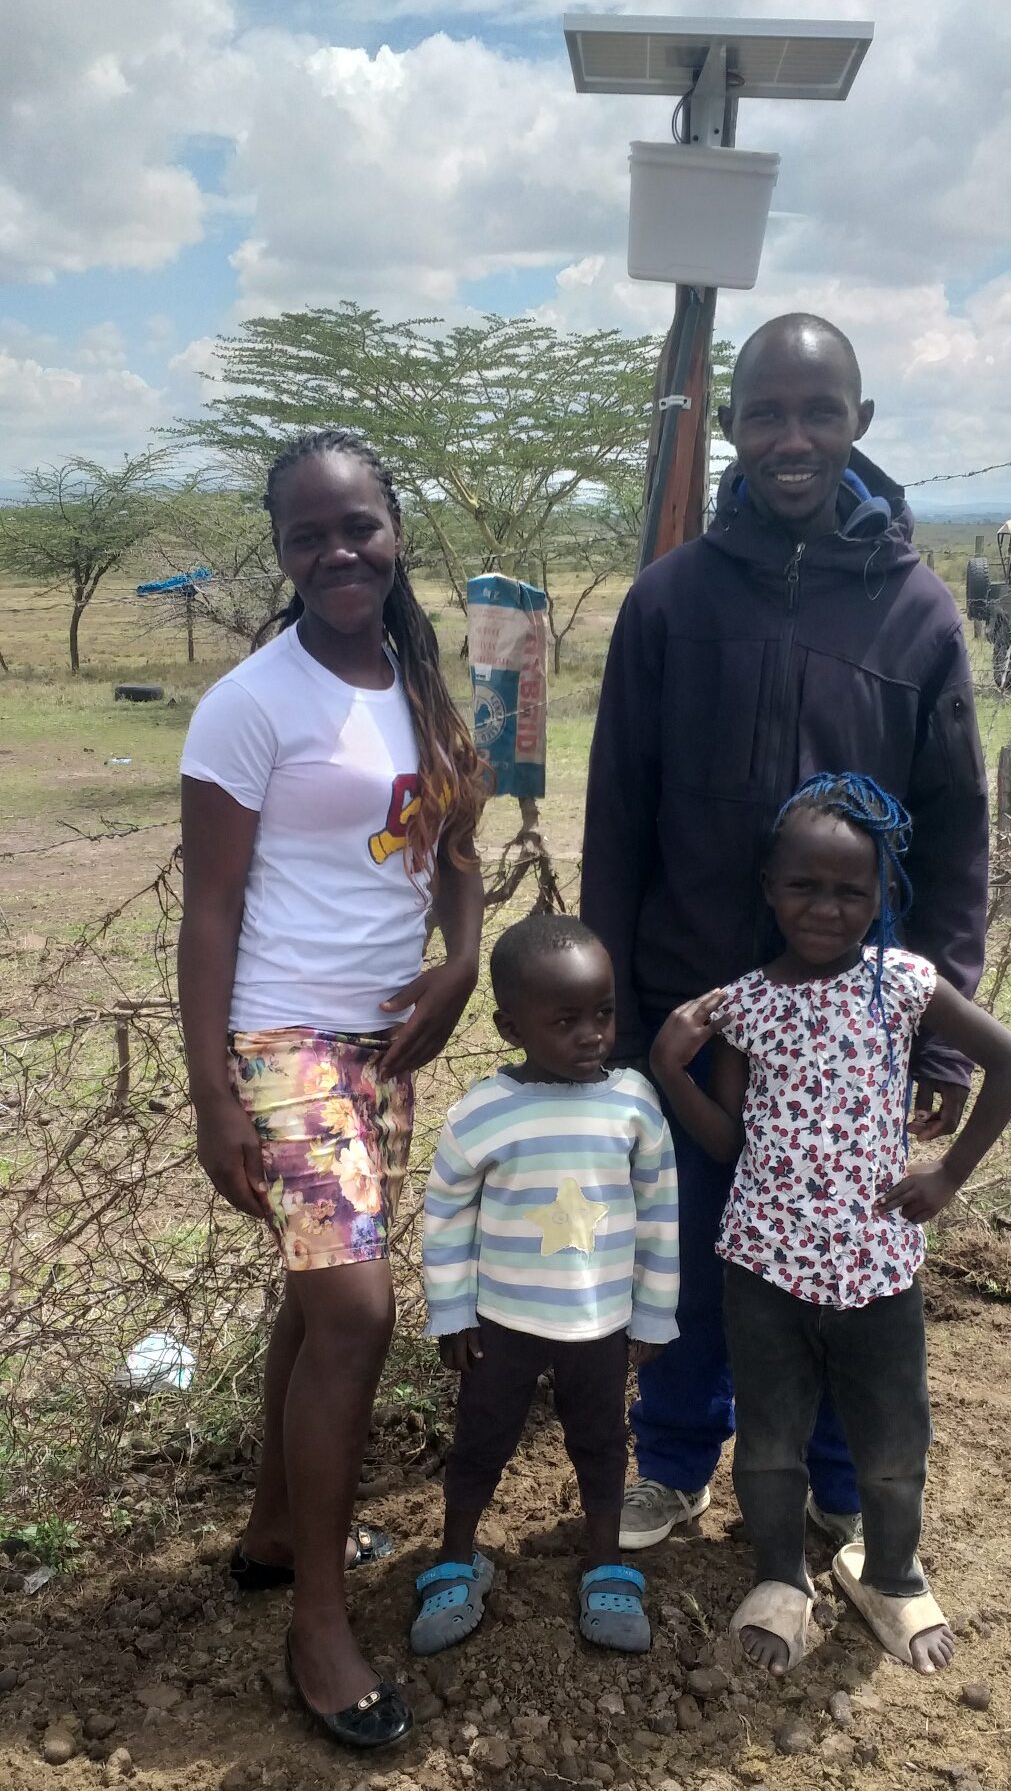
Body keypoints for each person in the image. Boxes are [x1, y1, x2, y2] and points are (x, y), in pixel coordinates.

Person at [581, 312, 989, 1550]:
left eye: (819, 412)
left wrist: (942, 1036)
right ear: (732, 430)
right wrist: (614, 1019)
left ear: (859, 424)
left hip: (856, 1041)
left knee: (846, 1270)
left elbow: (956, 832)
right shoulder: (669, 602)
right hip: (692, 1016)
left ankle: (839, 1478)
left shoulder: (916, 616)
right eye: (765, 412)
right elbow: (619, 820)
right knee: (698, 1257)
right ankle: (672, 1455)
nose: (792, 437)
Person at [178, 428, 487, 1749]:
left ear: (394, 526)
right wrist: (213, 1095)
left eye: (355, 524)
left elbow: (459, 849)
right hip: (285, 1044)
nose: (336, 552)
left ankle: (265, 1528)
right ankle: (318, 1618)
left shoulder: (422, 679)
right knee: (357, 1310)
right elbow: (211, 907)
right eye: (307, 536)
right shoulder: (251, 702)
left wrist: (462, 965)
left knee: (315, 1308)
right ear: (284, 554)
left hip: (382, 1046)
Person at [651, 773, 1011, 1675]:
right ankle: (781, 1577)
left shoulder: (899, 985)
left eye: (851, 892)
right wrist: (674, 1072)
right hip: (764, 1269)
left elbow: (1009, 1065)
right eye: (805, 887)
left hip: (878, 1270)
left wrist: (947, 1177)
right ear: (770, 890)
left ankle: (891, 1576)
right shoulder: (745, 1005)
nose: (826, 908)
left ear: (881, 898)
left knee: (896, 1445)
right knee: (771, 1440)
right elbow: (729, 1146)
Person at [411, 916, 679, 1657]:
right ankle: (456, 1557)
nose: (591, 1034)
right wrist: (452, 1313)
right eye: (565, 1021)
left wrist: (653, 1316)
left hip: (600, 1327)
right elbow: (445, 1217)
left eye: (603, 1013)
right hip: (501, 1322)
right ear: (509, 1026)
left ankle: (606, 1561)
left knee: (600, 1442)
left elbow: (661, 1215)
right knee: (479, 1442)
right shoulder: (482, 1114)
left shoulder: (633, 1104)